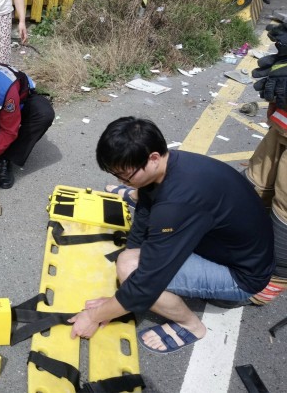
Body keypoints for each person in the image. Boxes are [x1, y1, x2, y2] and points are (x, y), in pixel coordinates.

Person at [68, 117, 275, 354]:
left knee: (129, 268)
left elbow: (147, 282)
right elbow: (145, 212)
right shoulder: (172, 165)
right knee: (131, 259)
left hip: (242, 276)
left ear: (153, 158)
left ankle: (191, 325)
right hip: (228, 246)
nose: (120, 181)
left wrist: (95, 315)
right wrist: (131, 260)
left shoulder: (178, 205)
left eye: (125, 176)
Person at [244, 23, 287, 304]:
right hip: (283, 122)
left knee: (286, 206)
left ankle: (278, 275)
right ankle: (245, 240)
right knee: (257, 182)